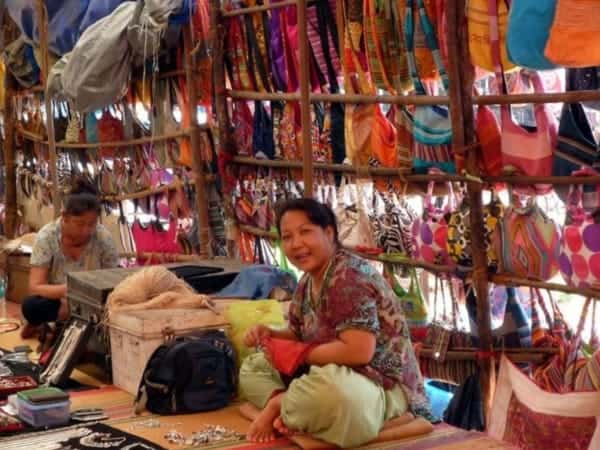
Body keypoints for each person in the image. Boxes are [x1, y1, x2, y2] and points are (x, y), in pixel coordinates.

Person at [240, 198, 431, 448]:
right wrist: (272, 335)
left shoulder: (349, 277)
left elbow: (359, 352)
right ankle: (295, 409)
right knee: (253, 366)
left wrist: (299, 355)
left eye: (305, 232)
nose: (296, 244)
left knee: (333, 397)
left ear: (329, 232)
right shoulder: (308, 281)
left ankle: (280, 406)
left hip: (379, 384)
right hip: (331, 372)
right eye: (287, 237)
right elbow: (299, 334)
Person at [20, 179, 120, 338]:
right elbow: (35, 287)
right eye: (80, 224)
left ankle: (64, 324)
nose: (86, 230)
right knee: (31, 306)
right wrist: (72, 290)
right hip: (59, 301)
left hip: (95, 303)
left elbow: (116, 279)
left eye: (92, 224)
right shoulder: (47, 237)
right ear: (65, 217)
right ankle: (60, 321)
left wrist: (91, 296)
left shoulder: (103, 237)